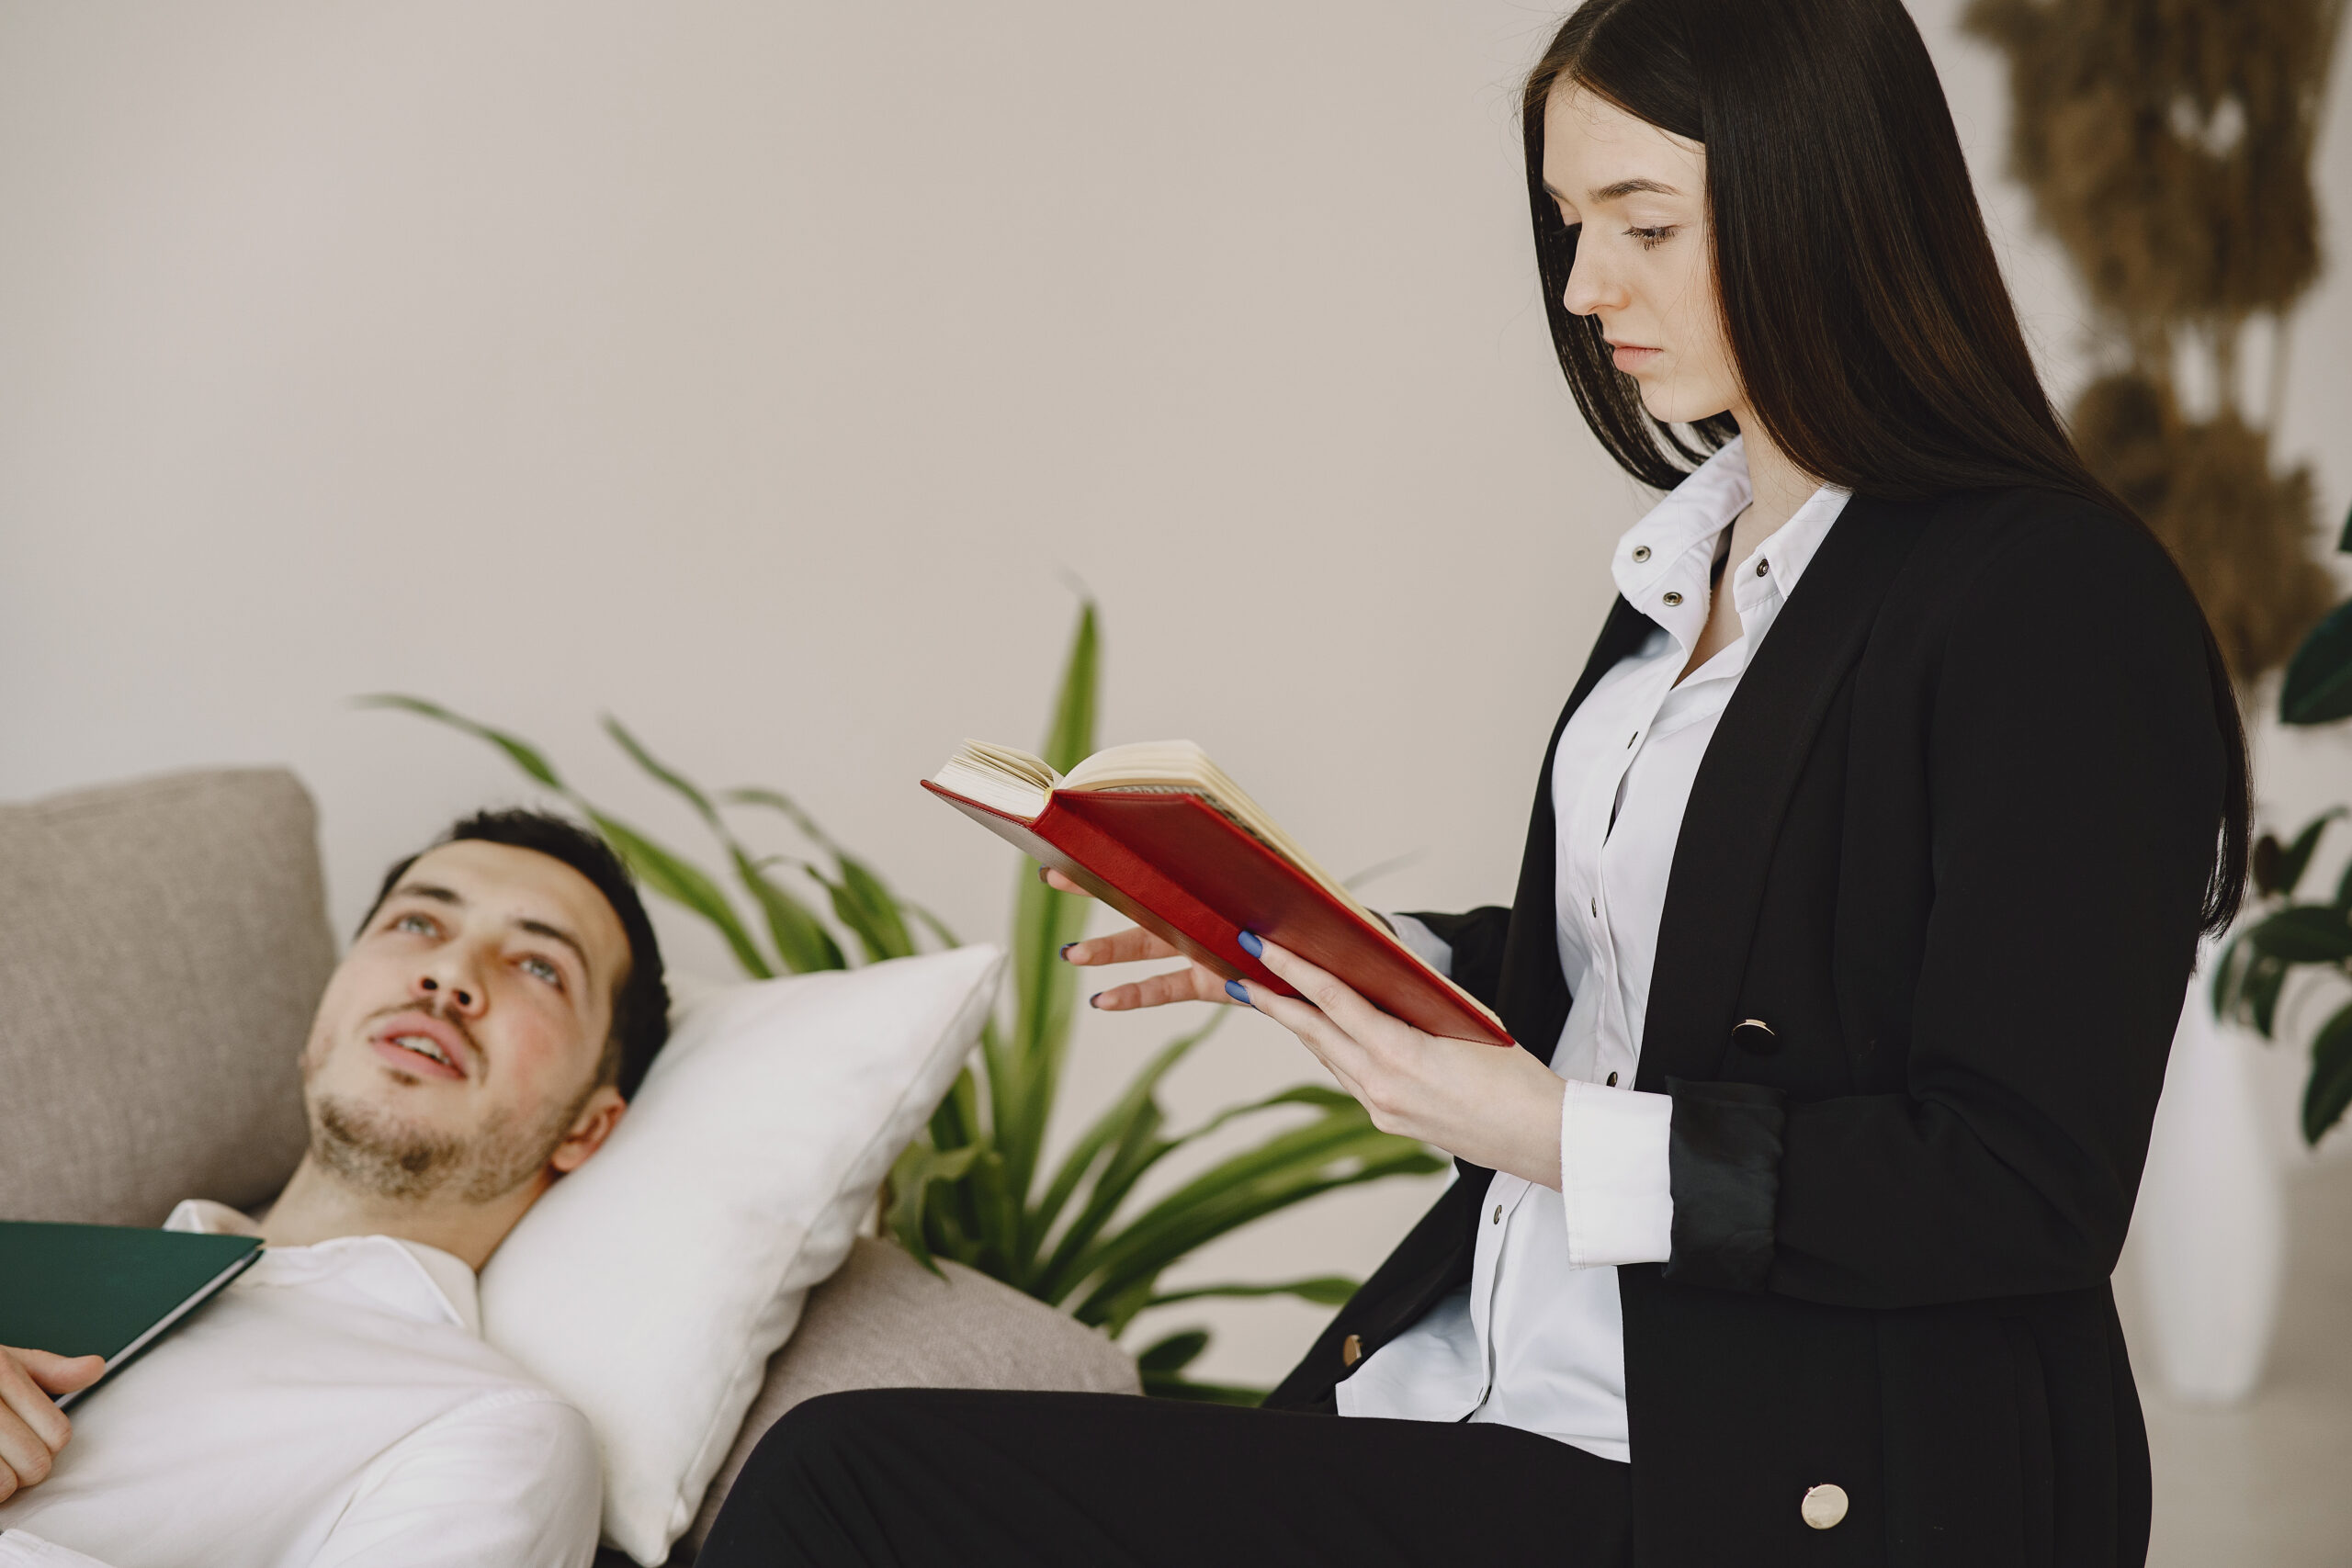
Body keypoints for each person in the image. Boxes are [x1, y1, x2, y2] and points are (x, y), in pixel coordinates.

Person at [696, 0, 2245, 1562]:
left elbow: (2020, 1182)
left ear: (1828, 204)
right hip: (1478, 1394)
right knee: (855, 1479)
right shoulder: (1696, 555)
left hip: (1729, 1468)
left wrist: (1559, 1134)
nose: (1584, 286)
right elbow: (1656, 975)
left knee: (850, 1484)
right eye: (1572, 223)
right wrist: (1297, 944)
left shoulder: (2050, 601)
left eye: (1644, 223)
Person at [0, 809, 671, 1568]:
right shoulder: (55, 1266)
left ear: (587, 1126)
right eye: (418, 921)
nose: (449, 973)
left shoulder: (493, 1429)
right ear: (324, 1016)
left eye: (540, 967)